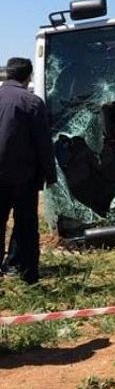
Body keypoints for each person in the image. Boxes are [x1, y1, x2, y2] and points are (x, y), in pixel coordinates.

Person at [0, 57, 57, 284]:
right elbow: (43, 143)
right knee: (26, 225)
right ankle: (28, 276)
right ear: (29, 76)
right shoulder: (31, 102)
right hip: (23, 177)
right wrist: (50, 175)